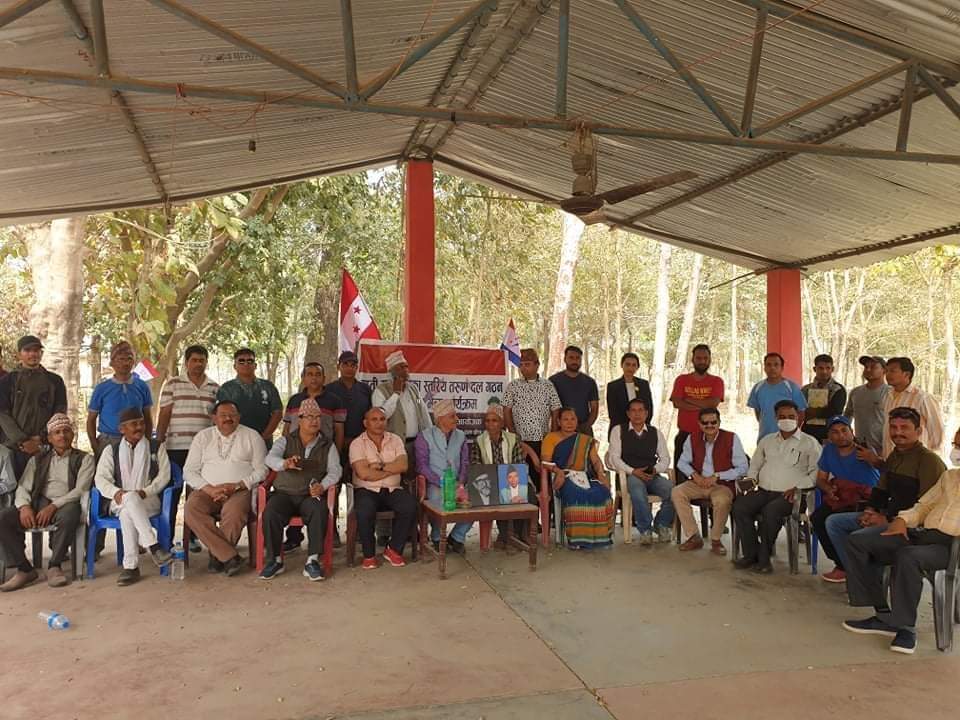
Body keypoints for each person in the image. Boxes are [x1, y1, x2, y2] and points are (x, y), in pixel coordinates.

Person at [841, 427, 960, 655]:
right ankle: (883, 614)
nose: (957, 451)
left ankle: (905, 627)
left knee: (908, 556)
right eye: (957, 445)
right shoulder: (950, 477)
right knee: (859, 541)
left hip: (952, 545)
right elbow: (925, 505)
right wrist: (902, 520)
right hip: (923, 533)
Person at [825, 407, 947, 578]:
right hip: (887, 516)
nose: (898, 432)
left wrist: (887, 520)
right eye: (893, 427)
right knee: (834, 523)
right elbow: (881, 489)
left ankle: (868, 582)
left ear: (918, 431)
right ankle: (858, 575)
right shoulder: (894, 456)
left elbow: (926, 507)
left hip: (910, 528)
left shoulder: (929, 461)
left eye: (904, 428)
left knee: (858, 539)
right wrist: (870, 511)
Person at [0, 413, 92, 591]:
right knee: (3, 518)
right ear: (49, 438)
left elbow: (80, 490)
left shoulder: (84, 459)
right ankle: (25, 569)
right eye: (57, 432)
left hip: (65, 504)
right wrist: (24, 507)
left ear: (72, 434)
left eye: (66, 431)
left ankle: (54, 565)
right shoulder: (37, 459)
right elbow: (23, 486)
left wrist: (53, 506)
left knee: (71, 514)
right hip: (39, 504)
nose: (62, 435)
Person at [733, 400, 820, 573]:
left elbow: (816, 473)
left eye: (791, 416)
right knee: (740, 506)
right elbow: (755, 465)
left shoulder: (809, 443)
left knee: (771, 511)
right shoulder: (767, 441)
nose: (786, 420)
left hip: (792, 495)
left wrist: (798, 488)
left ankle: (764, 560)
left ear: (798, 417)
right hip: (764, 491)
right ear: (775, 418)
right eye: (782, 416)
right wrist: (752, 479)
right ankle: (751, 554)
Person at [259, 398, 342, 581]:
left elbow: (335, 470)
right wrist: (284, 463)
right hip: (284, 494)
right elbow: (269, 459)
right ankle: (275, 560)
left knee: (319, 510)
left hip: (309, 495)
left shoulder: (327, 445)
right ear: (300, 419)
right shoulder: (285, 441)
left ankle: (312, 561)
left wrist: (322, 486)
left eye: (317, 417)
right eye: (309, 417)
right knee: (271, 511)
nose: (314, 421)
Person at [183, 400, 268, 576]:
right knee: (192, 508)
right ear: (214, 418)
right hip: (208, 490)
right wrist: (209, 489)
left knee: (234, 512)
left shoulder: (252, 436)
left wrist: (238, 485)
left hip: (239, 490)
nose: (228, 418)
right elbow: (189, 471)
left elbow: (263, 470)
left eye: (232, 415)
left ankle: (218, 557)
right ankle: (229, 556)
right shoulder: (203, 437)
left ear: (239, 417)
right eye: (223, 415)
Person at [93, 407, 173, 586]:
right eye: (134, 424)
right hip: (119, 499)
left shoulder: (156, 447)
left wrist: (145, 491)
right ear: (122, 429)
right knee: (129, 501)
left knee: (127, 511)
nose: (139, 427)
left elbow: (164, 476)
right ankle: (153, 546)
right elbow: (101, 478)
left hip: (148, 500)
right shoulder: (111, 450)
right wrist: (115, 492)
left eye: (141, 423)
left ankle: (131, 567)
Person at [156, 344, 219, 551]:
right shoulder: (173, 384)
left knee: (197, 496)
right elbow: (164, 414)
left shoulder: (214, 388)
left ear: (206, 362)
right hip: (175, 448)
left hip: (203, 451)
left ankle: (191, 538)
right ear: (186, 362)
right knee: (172, 493)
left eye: (202, 360)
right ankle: (167, 539)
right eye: (194, 360)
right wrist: (159, 444)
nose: (198, 364)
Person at [280, 362, 345, 553]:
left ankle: (330, 533)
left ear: (324, 378)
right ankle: (294, 536)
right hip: (296, 453)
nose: (314, 378)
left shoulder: (334, 400)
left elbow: (339, 430)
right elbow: (286, 428)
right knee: (295, 491)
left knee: (326, 492)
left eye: (318, 374)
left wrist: (335, 452)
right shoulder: (294, 400)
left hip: (322, 453)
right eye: (310, 374)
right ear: (303, 378)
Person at [811, 416, 880, 583]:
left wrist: (874, 459)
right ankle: (841, 565)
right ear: (829, 436)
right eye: (835, 432)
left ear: (852, 432)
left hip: (867, 500)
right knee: (817, 518)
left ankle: (859, 568)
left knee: (838, 522)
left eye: (844, 430)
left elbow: (884, 474)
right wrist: (828, 489)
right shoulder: (828, 450)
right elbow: (820, 479)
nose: (840, 435)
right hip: (842, 496)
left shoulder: (864, 450)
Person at [672, 407, 748, 555]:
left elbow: (743, 468)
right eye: (705, 423)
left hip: (722, 484)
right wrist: (695, 475)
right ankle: (694, 536)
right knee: (677, 492)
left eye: (713, 422)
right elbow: (682, 462)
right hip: (698, 482)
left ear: (719, 422)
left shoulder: (732, 438)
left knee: (722, 500)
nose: (709, 426)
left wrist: (718, 476)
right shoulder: (692, 438)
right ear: (699, 424)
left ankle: (716, 540)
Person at [348, 407, 416, 569]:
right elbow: (364, 474)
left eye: (382, 419)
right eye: (374, 419)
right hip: (366, 490)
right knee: (364, 510)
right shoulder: (357, 444)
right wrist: (391, 469)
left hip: (392, 488)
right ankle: (369, 555)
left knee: (410, 506)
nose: (379, 423)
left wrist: (379, 467)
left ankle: (393, 549)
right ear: (365, 423)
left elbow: (403, 465)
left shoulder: (396, 440)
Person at [542, 407, 614, 549]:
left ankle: (599, 538)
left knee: (602, 492)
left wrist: (601, 474)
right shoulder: (551, 438)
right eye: (565, 419)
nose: (569, 422)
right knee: (576, 494)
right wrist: (558, 472)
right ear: (559, 421)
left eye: (573, 419)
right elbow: (545, 461)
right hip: (564, 477)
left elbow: (596, 461)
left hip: (585, 477)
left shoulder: (585, 440)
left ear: (577, 421)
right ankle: (578, 539)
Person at [606, 398, 673, 544]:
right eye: (633, 411)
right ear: (628, 414)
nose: (637, 414)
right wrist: (633, 471)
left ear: (646, 413)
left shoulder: (655, 433)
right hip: (631, 475)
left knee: (673, 491)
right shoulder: (618, 430)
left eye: (640, 410)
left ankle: (661, 524)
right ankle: (645, 530)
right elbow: (614, 458)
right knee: (637, 491)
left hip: (652, 475)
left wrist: (654, 470)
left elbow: (666, 458)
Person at [0, 335, 67, 478]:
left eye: (36, 350)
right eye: (27, 350)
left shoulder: (55, 381)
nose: (32, 354)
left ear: (41, 353)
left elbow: (59, 412)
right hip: (14, 448)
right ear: (19, 354)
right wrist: (23, 440)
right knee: (13, 487)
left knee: (44, 485)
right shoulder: (7, 381)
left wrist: (41, 438)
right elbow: (3, 414)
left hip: (44, 446)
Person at [326, 350, 373, 545]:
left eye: (353, 364)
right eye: (345, 364)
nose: (349, 368)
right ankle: (332, 531)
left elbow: (370, 417)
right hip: (335, 447)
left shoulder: (365, 390)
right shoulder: (329, 389)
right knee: (334, 487)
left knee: (360, 488)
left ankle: (359, 530)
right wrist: (338, 443)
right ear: (339, 366)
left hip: (361, 447)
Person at [469, 403, 536, 543]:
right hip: (490, 481)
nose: (490, 424)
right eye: (487, 421)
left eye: (494, 420)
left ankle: (521, 533)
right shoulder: (479, 441)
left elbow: (518, 464)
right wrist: (494, 479)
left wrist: (507, 480)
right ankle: (505, 535)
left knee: (527, 491)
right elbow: (476, 467)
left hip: (512, 477)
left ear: (502, 423)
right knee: (497, 492)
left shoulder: (513, 439)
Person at [416, 399, 472, 554]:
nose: (457, 419)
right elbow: (422, 466)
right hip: (435, 483)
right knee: (436, 497)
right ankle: (436, 537)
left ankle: (457, 537)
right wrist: (441, 482)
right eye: (452, 416)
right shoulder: (424, 436)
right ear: (440, 418)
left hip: (457, 482)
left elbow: (465, 462)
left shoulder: (461, 436)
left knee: (473, 501)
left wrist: (460, 482)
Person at [503, 348, 560, 498]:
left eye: (527, 364)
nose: (523, 368)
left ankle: (547, 512)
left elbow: (555, 411)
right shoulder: (513, 386)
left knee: (543, 481)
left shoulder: (547, 385)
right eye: (521, 365)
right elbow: (506, 410)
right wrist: (513, 434)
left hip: (543, 442)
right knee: (521, 482)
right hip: (520, 442)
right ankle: (526, 512)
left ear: (537, 365)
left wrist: (552, 436)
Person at [85, 341, 154, 457]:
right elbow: (91, 420)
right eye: (121, 359)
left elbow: (147, 417)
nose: (125, 363)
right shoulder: (102, 388)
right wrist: (95, 446)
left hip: (136, 441)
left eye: (129, 358)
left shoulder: (142, 386)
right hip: (108, 442)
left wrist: (146, 441)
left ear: (134, 361)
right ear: (112, 363)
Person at [669, 344, 724, 474]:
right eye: (698, 358)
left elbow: (713, 404)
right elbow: (677, 403)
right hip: (684, 435)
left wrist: (687, 399)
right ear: (692, 360)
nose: (702, 361)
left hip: (708, 436)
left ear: (710, 360)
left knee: (706, 474)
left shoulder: (716, 381)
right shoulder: (682, 380)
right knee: (681, 475)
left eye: (705, 358)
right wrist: (704, 404)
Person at [216, 348, 283, 449]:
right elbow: (221, 416)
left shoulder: (268, 386)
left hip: (263, 441)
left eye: (250, 361)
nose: (246, 364)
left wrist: (264, 436)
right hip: (235, 442)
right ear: (235, 366)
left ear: (255, 365)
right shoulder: (226, 388)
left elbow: (277, 413)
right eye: (241, 361)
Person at [879, 357, 944, 457]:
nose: (887, 375)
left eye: (892, 371)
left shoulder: (922, 398)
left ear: (907, 374)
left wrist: (929, 455)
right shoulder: (887, 396)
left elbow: (936, 431)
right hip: (890, 457)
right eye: (887, 371)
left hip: (915, 458)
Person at [747, 352, 806, 442]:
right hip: (765, 437)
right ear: (764, 368)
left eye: (776, 365)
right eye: (769, 365)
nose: (772, 368)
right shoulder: (758, 388)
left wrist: (792, 431)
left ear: (782, 368)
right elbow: (758, 412)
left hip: (788, 438)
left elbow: (801, 412)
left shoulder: (791, 387)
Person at [843, 356, 890, 454]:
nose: (868, 370)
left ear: (884, 370)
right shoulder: (855, 392)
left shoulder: (890, 393)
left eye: (873, 367)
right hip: (859, 447)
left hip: (884, 449)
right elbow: (847, 416)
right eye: (866, 367)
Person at [549, 346, 599, 436]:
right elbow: (551, 409)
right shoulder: (553, 381)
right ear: (565, 359)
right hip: (560, 431)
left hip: (584, 430)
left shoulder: (590, 382)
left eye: (577, 358)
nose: (574, 361)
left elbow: (594, 408)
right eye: (571, 358)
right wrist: (555, 430)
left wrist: (586, 426)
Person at [801, 354, 847, 444]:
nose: (824, 371)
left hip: (830, 434)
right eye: (821, 368)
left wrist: (812, 411)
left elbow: (835, 411)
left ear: (832, 369)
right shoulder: (805, 389)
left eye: (828, 368)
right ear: (815, 369)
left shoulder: (838, 389)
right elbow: (800, 410)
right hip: (808, 433)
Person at [607, 352, 654, 436]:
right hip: (620, 429)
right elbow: (613, 412)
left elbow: (649, 408)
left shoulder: (644, 384)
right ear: (622, 365)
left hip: (641, 429)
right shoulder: (613, 386)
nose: (630, 368)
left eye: (634, 365)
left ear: (637, 367)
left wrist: (640, 425)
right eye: (627, 364)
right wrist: (628, 427)